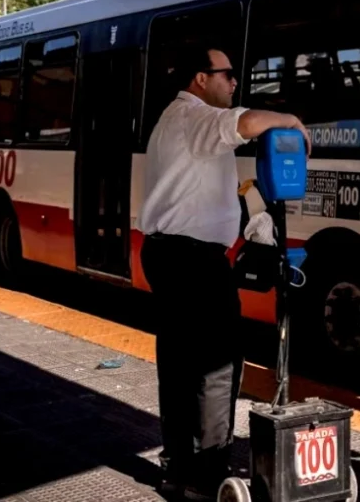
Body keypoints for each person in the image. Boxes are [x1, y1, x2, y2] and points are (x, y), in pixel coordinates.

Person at [136, 47, 310, 500]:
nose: (234, 83)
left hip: (166, 253)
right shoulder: (194, 117)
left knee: (177, 364)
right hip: (194, 261)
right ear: (200, 78)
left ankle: (177, 466)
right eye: (227, 75)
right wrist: (289, 119)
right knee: (216, 366)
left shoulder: (172, 121)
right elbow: (247, 123)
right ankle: (209, 471)